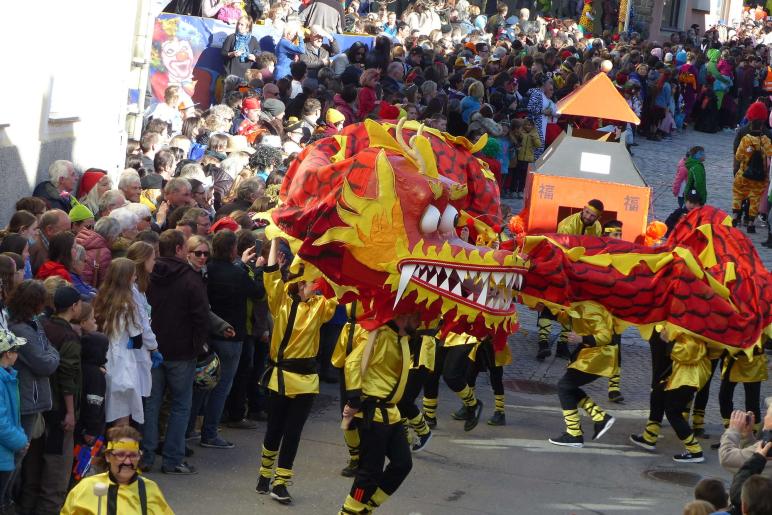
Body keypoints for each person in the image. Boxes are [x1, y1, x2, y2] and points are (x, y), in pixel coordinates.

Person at [255, 238, 337, 504]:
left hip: (306, 380)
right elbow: (269, 274)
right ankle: (265, 473)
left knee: (293, 431)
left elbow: (341, 289)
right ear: (301, 282)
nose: (317, 286)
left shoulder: (321, 307)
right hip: (279, 377)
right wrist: (276, 237)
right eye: (314, 282)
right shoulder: (280, 300)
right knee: (275, 429)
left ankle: (281, 481)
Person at [143, 230, 209, 475]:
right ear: (180, 249)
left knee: (152, 404)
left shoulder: (148, 275)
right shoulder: (190, 278)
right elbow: (201, 316)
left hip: (153, 349)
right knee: (181, 405)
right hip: (181, 352)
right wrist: (198, 345)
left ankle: (147, 457)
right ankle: (172, 459)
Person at [338, 313, 417, 514]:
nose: (420, 320)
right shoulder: (379, 334)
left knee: (402, 464)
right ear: (402, 315)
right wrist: (355, 398)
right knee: (369, 472)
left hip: (393, 414)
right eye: (416, 315)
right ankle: (349, 511)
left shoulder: (405, 339)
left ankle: (366, 507)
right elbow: (352, 363)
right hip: (373, 414)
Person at [196, 230, 263, 449]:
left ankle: (192, 429)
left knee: (202, 384)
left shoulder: (208, 269)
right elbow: (257, 292)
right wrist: (260, 269)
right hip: (231, 336)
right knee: (221, 386)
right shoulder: (236, 274)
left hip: (209, 333)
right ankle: (210, 432)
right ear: (233, 249)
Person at [7, 281, 61, 515]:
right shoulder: (21, 330)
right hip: (27, 399)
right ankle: (6, 501)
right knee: (18, 454)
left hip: (35, 397)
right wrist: (50, 355)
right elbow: (45, 362)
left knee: (24, 454)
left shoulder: (34, 324)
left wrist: (50, 354)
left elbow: (50, 351)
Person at [36, 285, 83, 514]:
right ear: (74, 307)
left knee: (33, 475)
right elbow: (68, 376)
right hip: (58, 411)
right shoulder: (69, 337)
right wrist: (71, 411)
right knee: (55, 479)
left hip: (40, 406)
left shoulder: (42, 326)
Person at [61, 425, 174, 514]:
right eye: (120, 455)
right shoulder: (86, 487)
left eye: (133, 455)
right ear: (108, 456)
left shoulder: (149, 490)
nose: (127, 462)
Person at [0, 329, 28, 515]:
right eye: (16, 349)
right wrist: (20, 441)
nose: (18, 354)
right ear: (8, 353)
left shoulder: (7, 377)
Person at [733, 115, 772, 233]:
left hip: (744, 173)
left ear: (750, 126)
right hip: (760, 176)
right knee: (755, 199)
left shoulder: (746, 139)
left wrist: (748, 154)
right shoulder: (765, 140)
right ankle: (750, 224)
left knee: (738, 194)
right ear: (761, 128)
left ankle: (735, 218)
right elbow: (770, 153)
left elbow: (738, 156)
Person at [719, 401, 772, 480]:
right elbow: (751, 456)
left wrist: (733, 430)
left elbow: (726, 458)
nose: (764, 418)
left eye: (767, 414)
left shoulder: (768, 448)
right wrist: (747, 436)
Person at [222, 14, 260, 79]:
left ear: (248, 28)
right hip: (231, 73)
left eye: (242, 25)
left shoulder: (253, 40)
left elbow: (258, 52)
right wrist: (232, 53)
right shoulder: (231, 37)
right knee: (231, 89)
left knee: (243, 89)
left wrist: (254, 56)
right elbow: (223, 52)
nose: (239, 26)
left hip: (246, 75)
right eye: (238, 24)